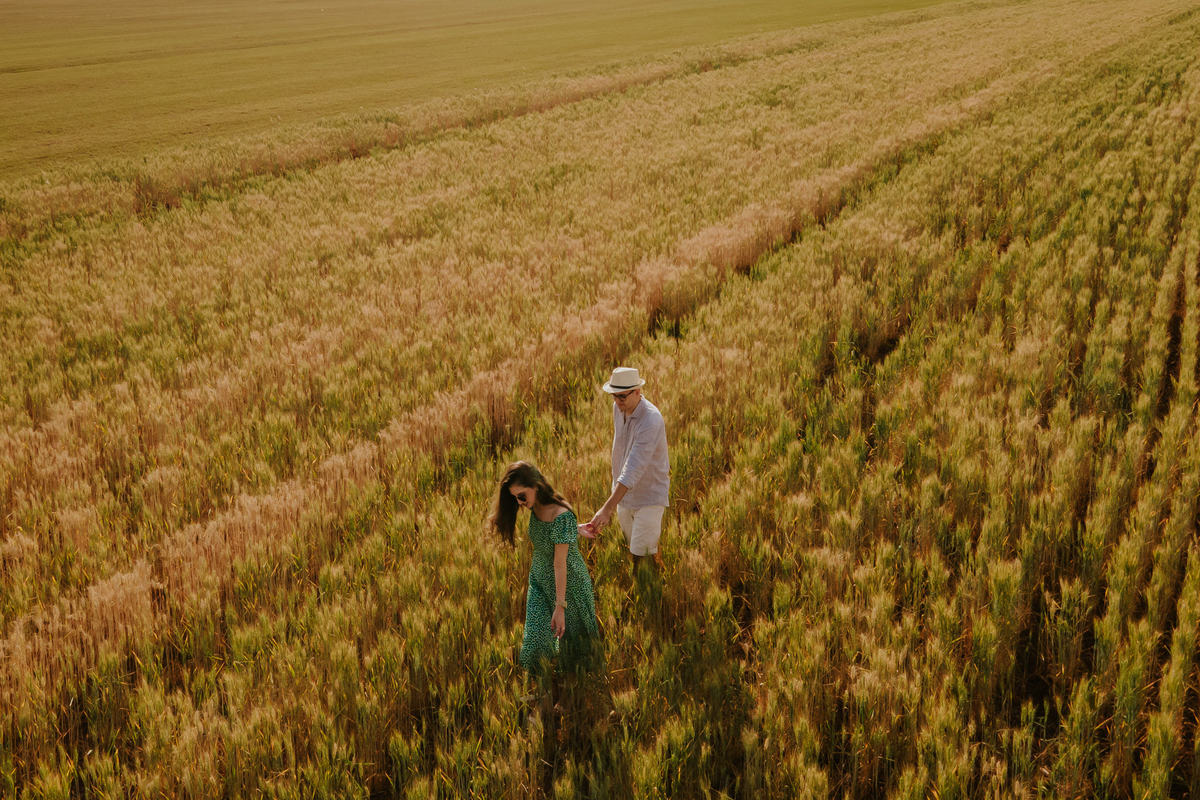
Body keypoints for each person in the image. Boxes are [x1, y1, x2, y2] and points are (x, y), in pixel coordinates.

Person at [489, 461, 602, 677]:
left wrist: (560, 607)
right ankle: (542, 691)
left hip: (568, 587)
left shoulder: (561, 514)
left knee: (573, 648)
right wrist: (574, 530)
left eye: (521, 496)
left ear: (537, 486)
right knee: (535, 640)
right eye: (515, 498)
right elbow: (552, 535)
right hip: (540, 582)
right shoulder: (538, 507)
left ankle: (571, 695)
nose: (519, 502)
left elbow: (560, 563)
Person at [584, 366, 670, 580]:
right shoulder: (619, 409)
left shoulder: (651, 420)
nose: (617, 401)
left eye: (622, 396)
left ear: (637, 392)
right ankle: (656, 583)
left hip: (649, 497)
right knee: (638, 549)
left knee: (641, 555)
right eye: (614, 396)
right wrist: (614, 500)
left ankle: (646, 597)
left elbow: (634, 468)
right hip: (624, 496)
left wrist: (607, 508)